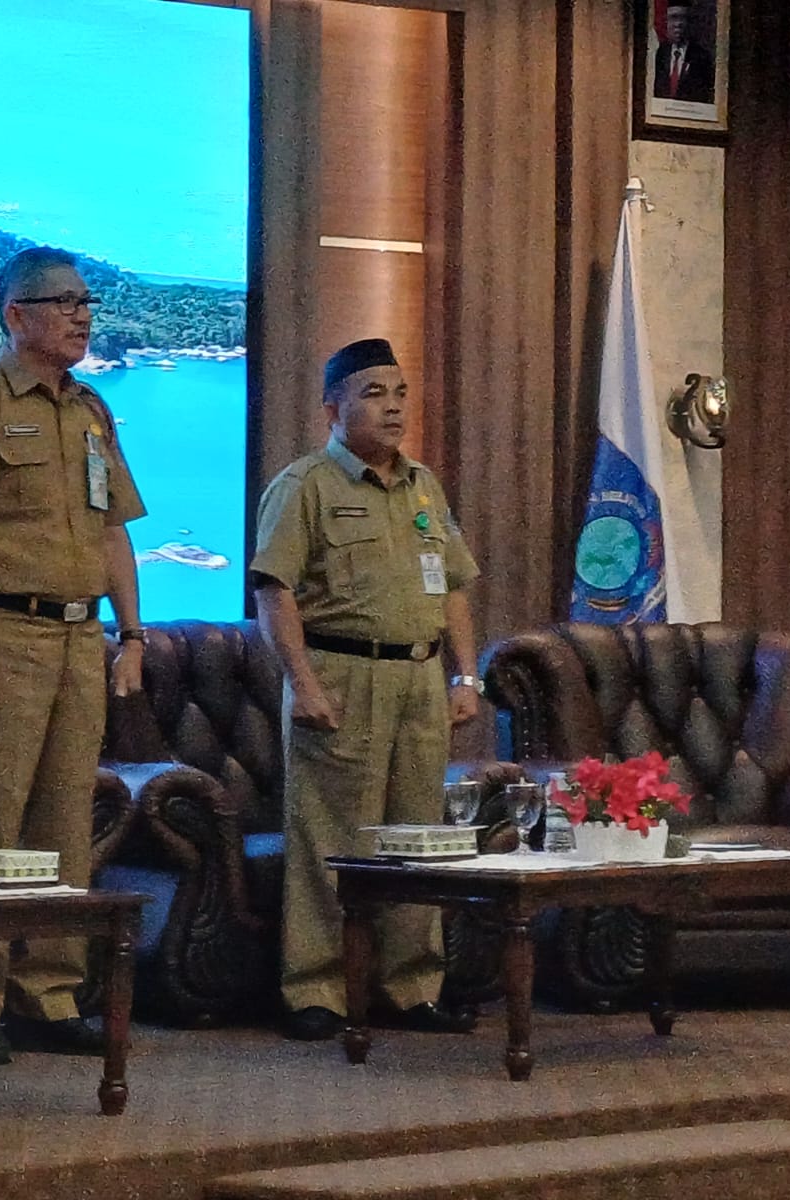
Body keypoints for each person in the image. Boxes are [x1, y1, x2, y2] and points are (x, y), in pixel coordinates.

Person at [0, 246, 147, 1066]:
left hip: (80, 637)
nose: (82, 316)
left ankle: (49, 991)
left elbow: (113, 529)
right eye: (64, 302)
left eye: (87, 301)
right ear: (17, 315)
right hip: (2, 632)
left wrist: (132, 635)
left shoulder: (91, 410)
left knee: (63, 820)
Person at [249, 337, 481, 1042]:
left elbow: (454, 587)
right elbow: (274, 594)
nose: (393, 407)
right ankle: (316, 989)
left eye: (400, 393)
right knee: (332, 838)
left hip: (419, 678)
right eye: (374, 394)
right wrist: (302, 683)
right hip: (340, 676)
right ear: (333, 408)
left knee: (417, 837)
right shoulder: (305, 486)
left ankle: (411, 986)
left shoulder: (423, 486)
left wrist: (466, 675)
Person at [653, 3, 714, 104]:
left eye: (683, 18)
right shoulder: (660, 54)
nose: (678, 24)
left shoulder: (702, 56)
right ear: (666, 22)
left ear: (690, 23)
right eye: (673, 18)